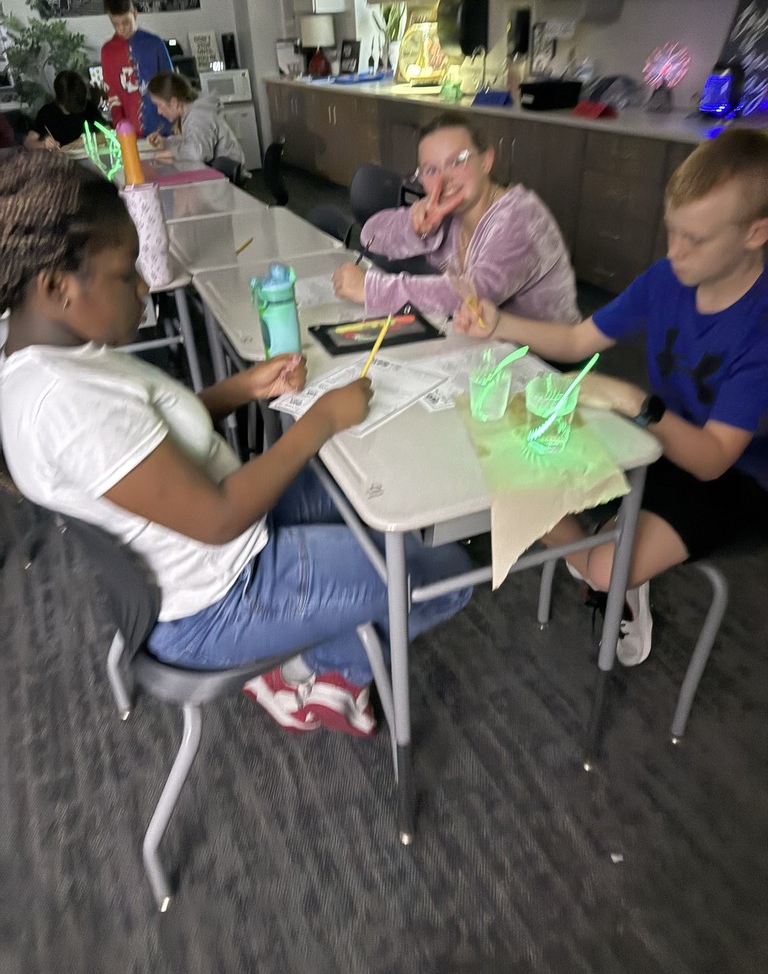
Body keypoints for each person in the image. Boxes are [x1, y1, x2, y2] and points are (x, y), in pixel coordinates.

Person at [0, 152, 471, 737]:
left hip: (212, 551)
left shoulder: (47, 360)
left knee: (370, 499)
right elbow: (219, 517)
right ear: (55, 286)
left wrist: (242, 387)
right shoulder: (65, 406)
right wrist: (319, 420)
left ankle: (321, 626)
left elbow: (146, 448)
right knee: (447, 574)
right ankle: (324, 673)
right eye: (127, 273)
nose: (145, 284)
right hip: (219, 596)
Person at [455, 127, 768, 667]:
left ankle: (615, 574)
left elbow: (714, 459)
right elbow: (579, 338)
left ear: (755, 233)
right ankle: (612, 546)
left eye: (695, 239)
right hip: (656, 439)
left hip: (736, 476)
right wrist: (499, 323)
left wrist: (630, 399)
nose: (675, 252)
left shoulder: (760, 327)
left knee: (600, 566)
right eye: (672, 231)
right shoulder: (668, 277)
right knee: (500, 464)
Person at [332, 113, 580, 324]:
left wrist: (371, 290)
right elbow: (370, 235)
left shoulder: (521, 217)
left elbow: (474, 294)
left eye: (457, 161)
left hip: (545, 364)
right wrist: (415, 226)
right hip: (480, 339)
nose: (444, 179)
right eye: (431, 170)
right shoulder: (449, 211)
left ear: (486, 161)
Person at [101, 0, 173, 138]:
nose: (121, 29)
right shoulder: (107, 52)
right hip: (130, 133)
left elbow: (171, 86)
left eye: (125, 22)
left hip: (164, 129)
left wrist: (177, 122)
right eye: (115, 24)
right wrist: (120, 125)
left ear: (134, 13)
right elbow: (113, 95)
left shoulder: (155, 43)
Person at [146, 71, 246, 172]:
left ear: (173, 102)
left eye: (158, 105)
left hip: (227, 179)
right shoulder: (191, 111)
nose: (159, 111)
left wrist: (172, 152)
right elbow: (191, 141)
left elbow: (198, 153)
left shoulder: (199, 115)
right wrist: (165, 142)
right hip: (217, 171)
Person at [24, 71, 104, 151]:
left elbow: (108, 133)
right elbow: (29, 143)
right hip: (62, 159)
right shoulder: (47, 113)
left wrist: (86, 140)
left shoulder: (89, 107)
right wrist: (44, 144)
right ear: (61, 100)